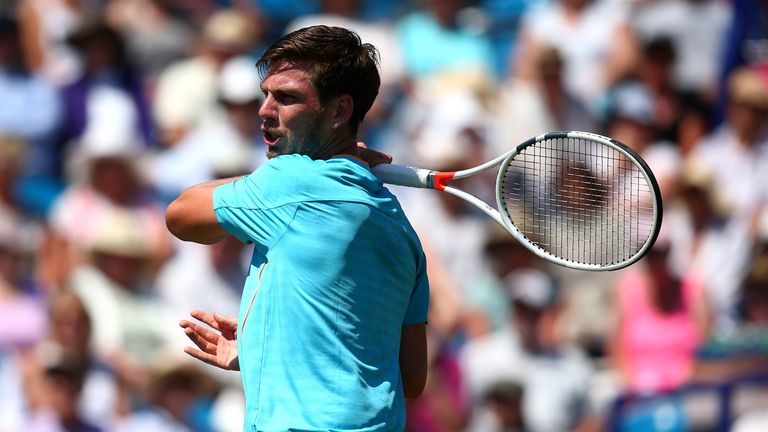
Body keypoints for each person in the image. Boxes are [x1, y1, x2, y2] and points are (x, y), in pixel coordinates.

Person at [166, 25, 430, 431]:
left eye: (286, 98)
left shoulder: (289, 182)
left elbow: (181, 215)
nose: (264, 110)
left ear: (340, 111)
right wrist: (268, 346)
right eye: (266, 94)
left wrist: (290, 170)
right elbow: (409, 378)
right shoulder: (403, 232)